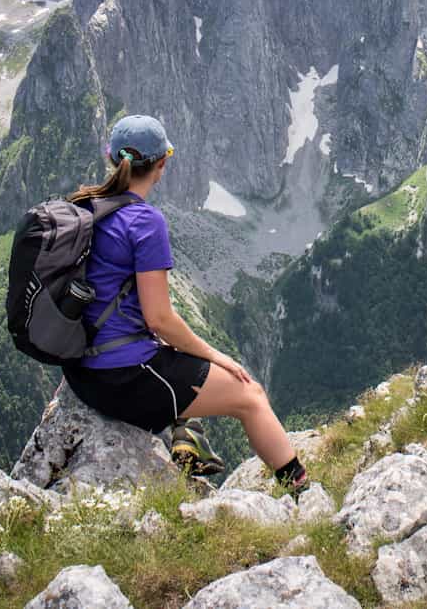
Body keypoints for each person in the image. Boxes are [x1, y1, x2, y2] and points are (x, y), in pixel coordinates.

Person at [62, 114, 308, 493]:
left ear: (112, 159)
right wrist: (219, 358)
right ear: (161, 165)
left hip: (81, 373)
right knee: (250, 395)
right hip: (120, 378)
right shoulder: (144, 222)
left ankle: (186, 438)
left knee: (175, 361)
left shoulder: (84, 206)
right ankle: (303, 493)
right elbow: (160, 318)